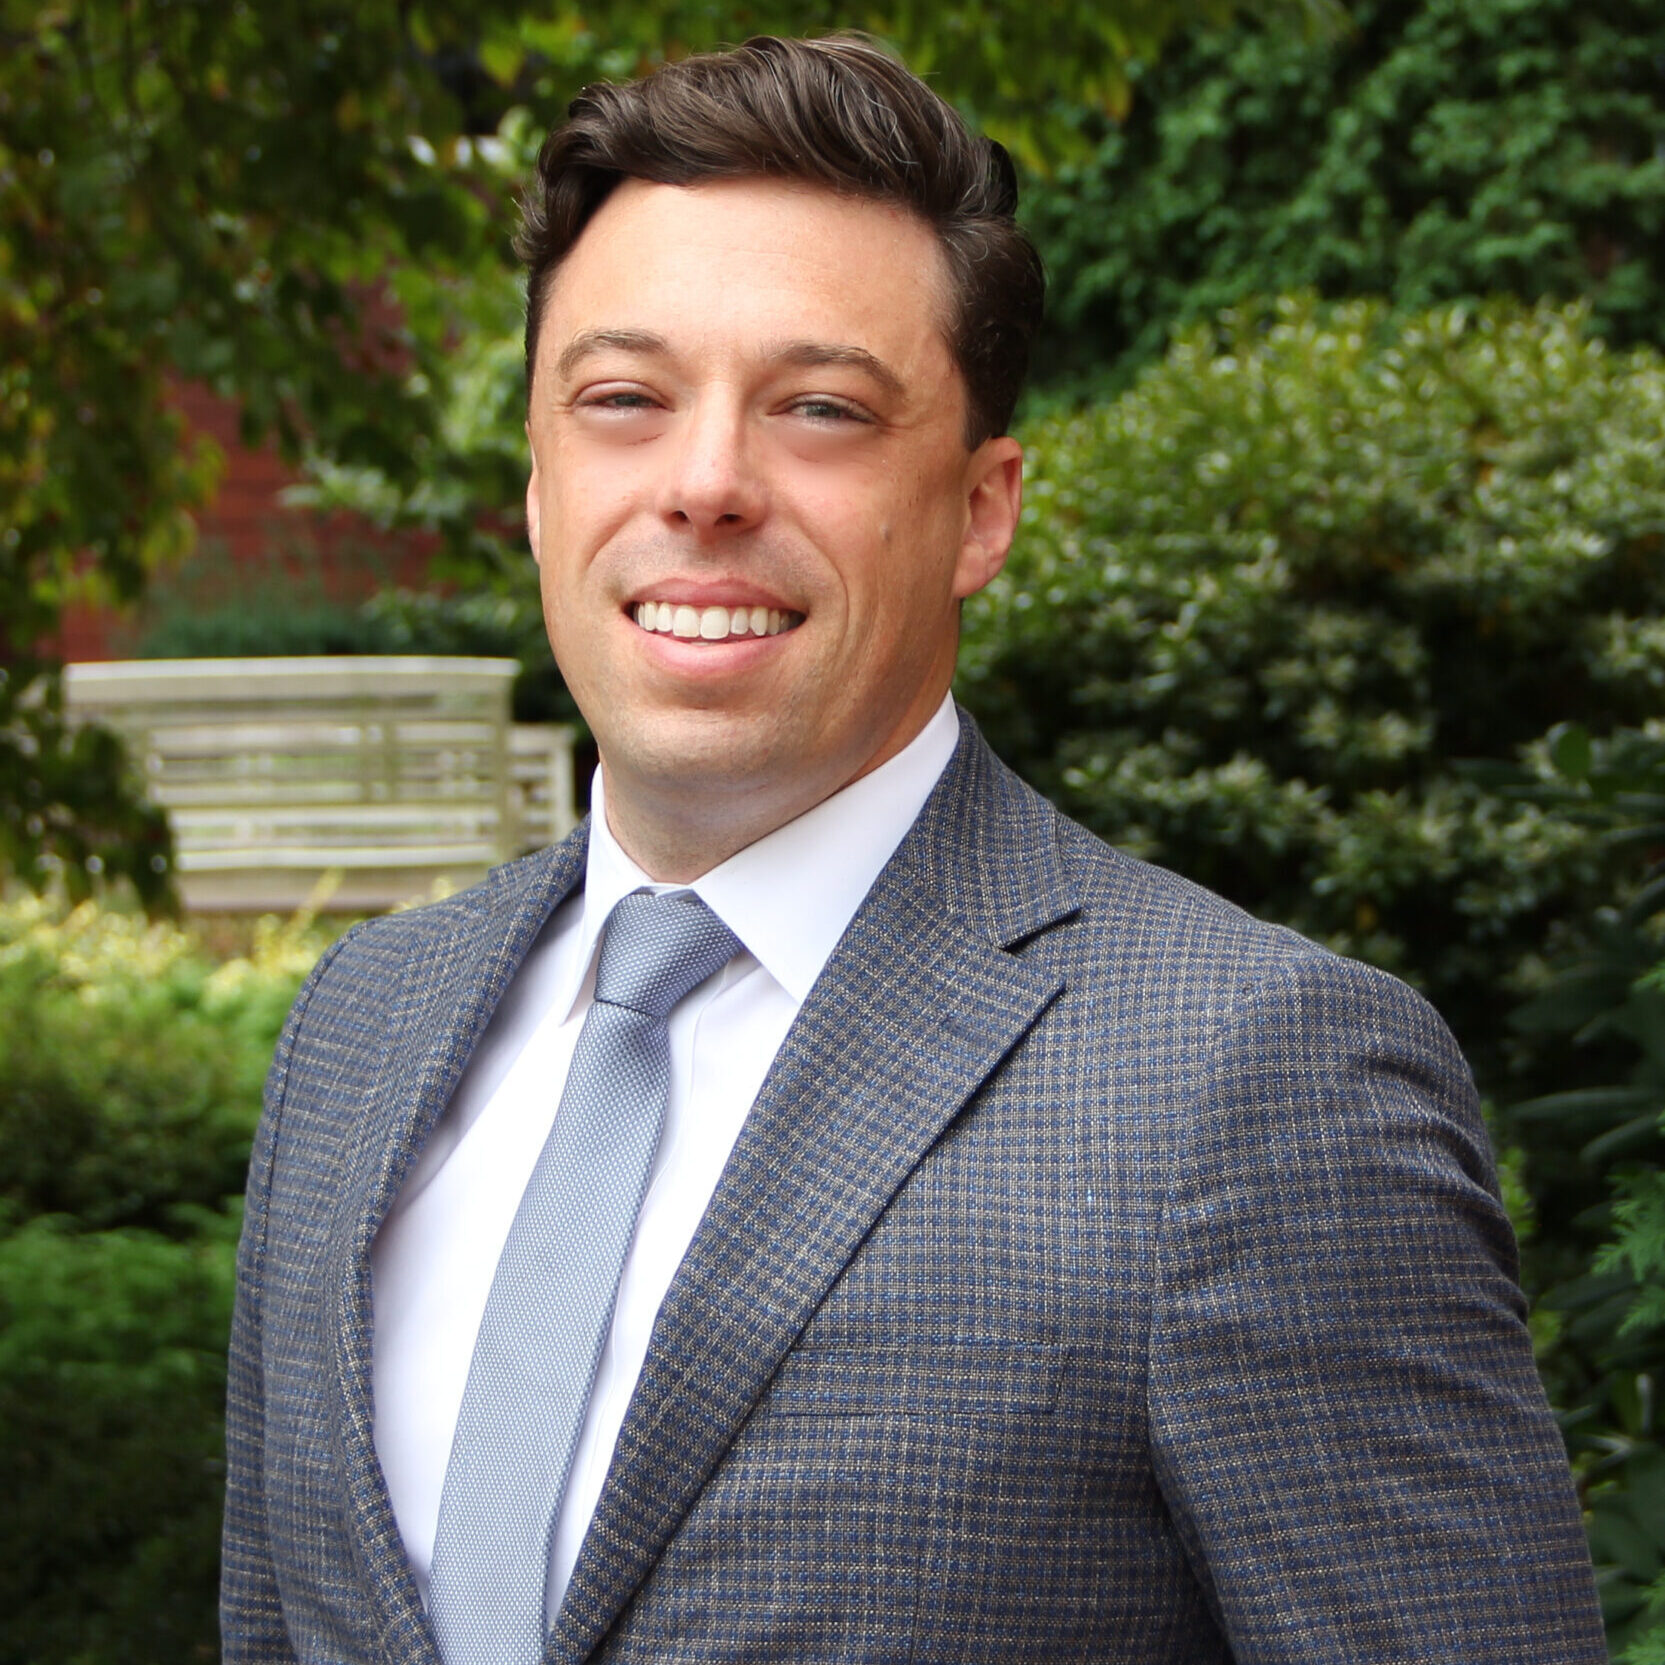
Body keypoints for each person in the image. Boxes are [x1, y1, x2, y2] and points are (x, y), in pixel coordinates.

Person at [220, 34, 1607, 1665]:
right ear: (536, 482)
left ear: (981, 507)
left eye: (818, 409)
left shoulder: (1256, 1079)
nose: (706, 482)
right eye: (621, 401)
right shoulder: (359, 1027)